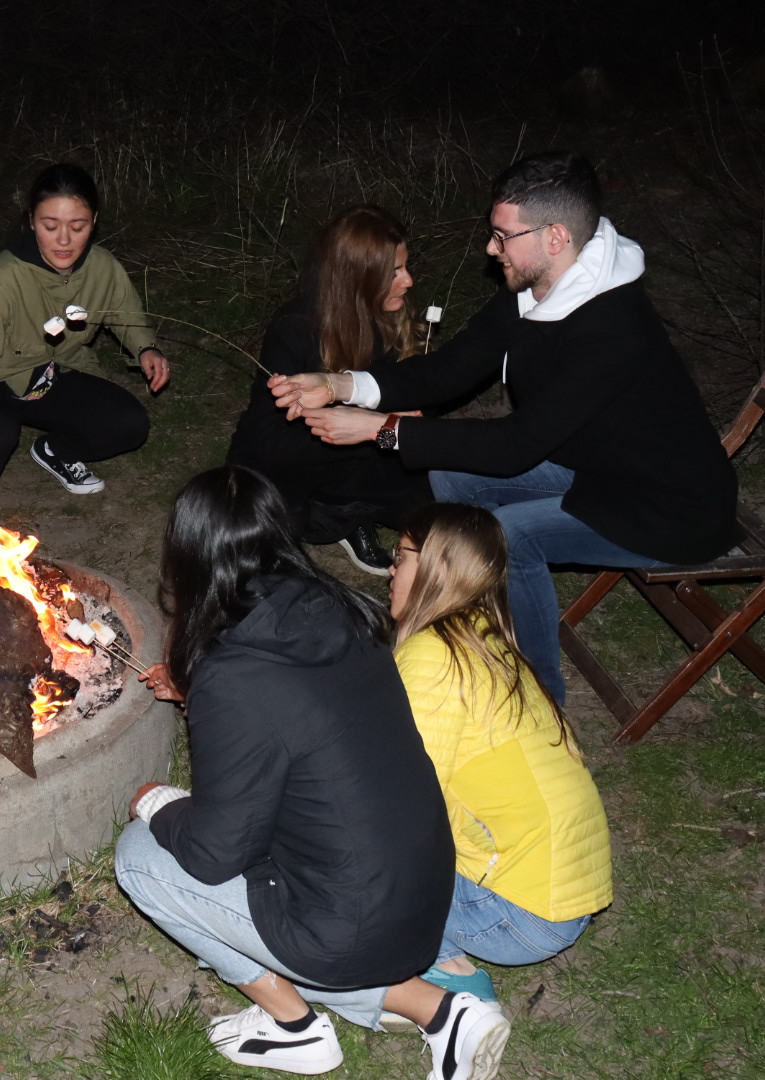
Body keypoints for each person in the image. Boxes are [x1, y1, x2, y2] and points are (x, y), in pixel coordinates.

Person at [270, 150, 738, 705]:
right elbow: (454, 367)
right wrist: (343, 384)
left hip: (668, 507)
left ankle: (537, 702)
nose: (491, 249)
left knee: (514, 537)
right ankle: (468, 620)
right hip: (602, 472)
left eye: (502, 235)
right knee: (449, 474)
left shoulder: (609, 329)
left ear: (556, 237)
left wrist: (380, 430)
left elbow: (516, 446)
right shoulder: (537, 291)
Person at [116, 465, 508, 1079]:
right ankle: (442, 1013)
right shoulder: (340, 608)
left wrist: (157, 801)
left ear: (188, 554)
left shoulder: (236, 676)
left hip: (353, 921)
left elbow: (217, 853)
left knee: (142, 854)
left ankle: (293, 1029)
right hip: (421, 891)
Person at [389, 503, 612, 1006]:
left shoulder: (432, 655)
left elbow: (413, 798)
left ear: (435, 570)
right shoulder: (482, 638)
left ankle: (452, 979)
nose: (390, 569)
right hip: (560, 893)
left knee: (340, 870)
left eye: (399, 556)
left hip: (514, 912)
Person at [0, 164, 171, 516]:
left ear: (94, 221)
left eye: (78, 227)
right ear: (31, 220)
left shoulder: (102, 267)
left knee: (129, 424)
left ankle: (55, 450)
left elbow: (125, 313)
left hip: (53, 375)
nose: (63, 240)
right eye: (50, 226)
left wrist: (146, 346)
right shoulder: (5, 278)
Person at [226, 205, 434, 576]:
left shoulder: (391, 319)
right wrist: (368, 428)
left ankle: (348, 512)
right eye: (395, 272)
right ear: (359, 278)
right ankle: (338, 516)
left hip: (360, 452)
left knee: (430, 492)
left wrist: (388, 429)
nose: (409, 281)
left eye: (406, 266)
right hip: (289, 459)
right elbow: (270, 442)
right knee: (268, 540)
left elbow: (396, 418)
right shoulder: (297, 328)